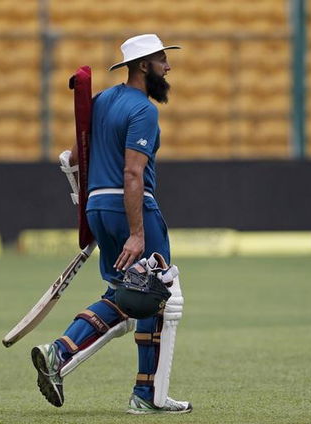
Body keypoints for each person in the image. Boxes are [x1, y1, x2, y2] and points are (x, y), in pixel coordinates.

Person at [30, 34, 192, 415]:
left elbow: (74, 155)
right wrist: (137, 233)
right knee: (163, 296)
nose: (168, 67)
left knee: (127, 292)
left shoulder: (102, 100)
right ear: (143, 66)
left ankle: (60, 352)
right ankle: (148, 395)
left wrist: (86, 205)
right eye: (161, 60)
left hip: (97, 207)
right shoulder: (144, 110)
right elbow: (133, 174)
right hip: (131, 206)